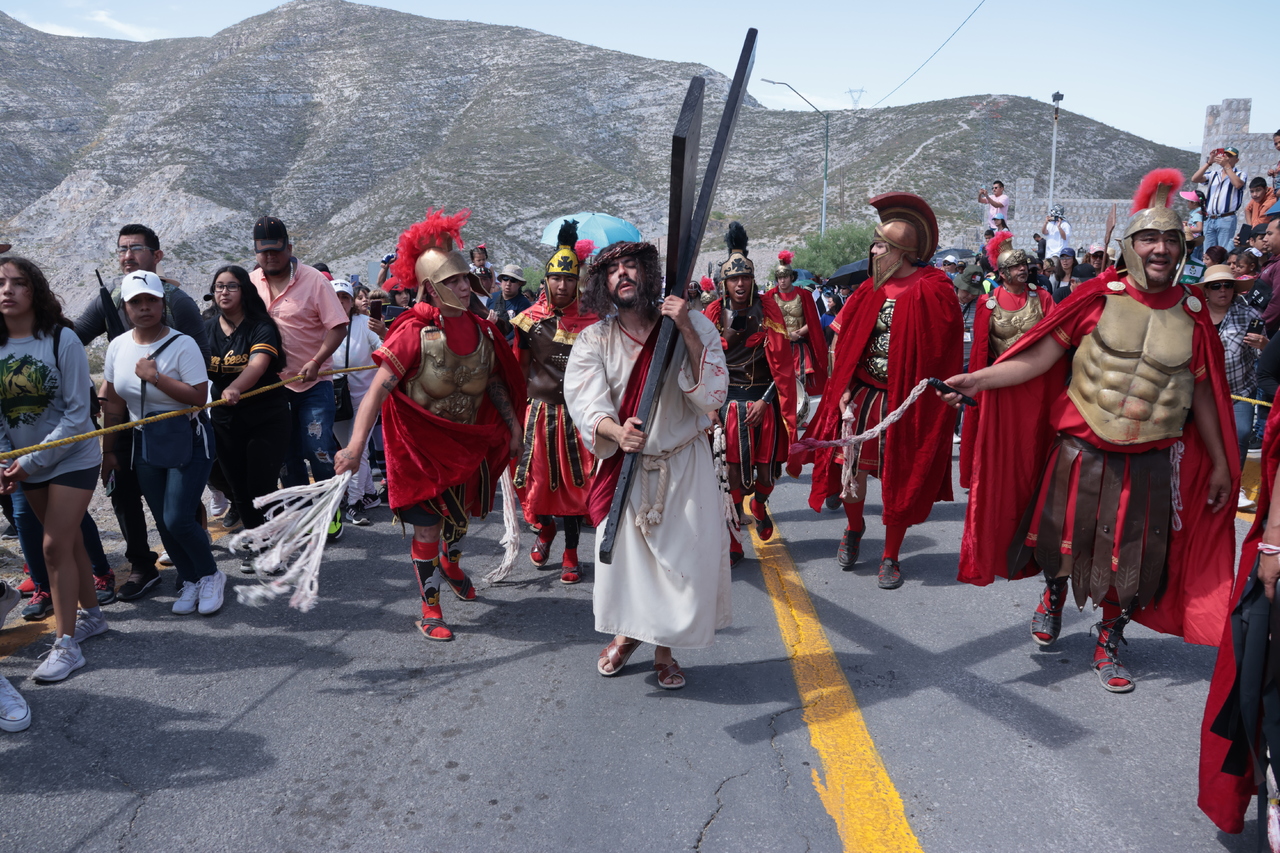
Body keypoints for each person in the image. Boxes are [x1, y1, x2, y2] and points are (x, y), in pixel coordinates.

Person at [941, 168, 1238, 694]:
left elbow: (1205, 398)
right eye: (1149, 237)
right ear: (1129, 244)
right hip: (1082, 448)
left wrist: (1218, 461)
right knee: (1063, 540)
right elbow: (1035, 360)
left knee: (1136, 557)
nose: (1161, 248)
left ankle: (1109, 638)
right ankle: (1054, 594)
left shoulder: (1194, 313)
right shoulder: (1097, 298)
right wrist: (977, 379)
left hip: (1149, 458)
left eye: (1171, 239)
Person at [335, 209, 524, 642]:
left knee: (459, 523)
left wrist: (513, 428)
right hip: (420, 449)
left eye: (465, 280)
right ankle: (430, 606)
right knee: (428, 527)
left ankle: (451, 561)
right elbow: (379, 389)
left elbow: (496, 381)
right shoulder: (412, 334)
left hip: (468, 442)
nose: (464, 286)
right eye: (453, 281)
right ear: (431, 288)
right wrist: (355, 447)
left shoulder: (483, 331)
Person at [564, 239, 729, 690]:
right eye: (613, 269)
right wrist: (615, 431)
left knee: (680, 565)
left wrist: (686, 330)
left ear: (649, 275)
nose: (623, 274)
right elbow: (583, 399)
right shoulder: (594, 338)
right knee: (630, 568)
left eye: (631, 266)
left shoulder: (693, 325)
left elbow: (713, 394)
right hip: (628, 467)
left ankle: (664, 649)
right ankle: (628, 634)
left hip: (684, 464)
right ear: (603, 283)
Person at [801, 193, 962, 589]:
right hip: (862, 396)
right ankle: (854, 529)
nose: (873, 251)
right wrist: (840, 390)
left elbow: (943, 352)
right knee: (850, 471)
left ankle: (890, 555)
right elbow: (842, 339)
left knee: (899, 478)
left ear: (902, 251)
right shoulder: (869, 289)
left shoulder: (934, 289)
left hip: (906, 404)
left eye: (880, 245)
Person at [74, 224, 209, 601]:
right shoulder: (109, 298)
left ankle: (195, 565)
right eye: (122, 249)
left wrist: (159, 380)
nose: (128, 255)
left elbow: (201, 363)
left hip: (176, 419)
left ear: (157, 255)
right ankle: (141, 565)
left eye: (136, 248)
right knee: (122, 491)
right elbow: (75, 335)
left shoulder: (178, 301)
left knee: (176, 502)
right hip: (126, 415)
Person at [0, 256, 103, 682]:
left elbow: (79, 415)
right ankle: (93, 616)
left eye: (18, 283)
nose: (7, 290)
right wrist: (8, 460)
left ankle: (66, 645)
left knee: (52, 547)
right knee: (70, 542)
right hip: (26, 464)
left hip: (73, 456)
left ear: (35, 291)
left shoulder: (63, 339)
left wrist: (28, 461)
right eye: (0, 283)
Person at [103, 271, 224, 617]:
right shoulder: (118, 346)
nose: (144, 308)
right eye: (136, 302)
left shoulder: (183, 343)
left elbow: (199, 397)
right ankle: (189, 578)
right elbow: (113, 403)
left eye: (151, 300)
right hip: (145, 439)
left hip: (187, 436)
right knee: (162, 518)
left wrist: (155, 377)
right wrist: (109, 451)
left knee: (178, 518)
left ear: (162, 304)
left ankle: (211, 575)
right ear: (126, 307)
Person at [249, 216, 349, 540]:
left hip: (314, 383)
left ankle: (330, 509)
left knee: (317, 450)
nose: (270, 258)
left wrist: (317, 360)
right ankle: (302, 517)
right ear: (255, 253)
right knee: (285, 457)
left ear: (288, 248)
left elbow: (338, 326)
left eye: (276, 251)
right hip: (272, 388)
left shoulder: (314, 280)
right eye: (263, 252)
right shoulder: (250, 284)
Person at [703, 223, 795, 566]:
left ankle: (761, 504)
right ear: (725, 283)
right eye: (733, 279)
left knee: (767, 474)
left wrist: (766, 400)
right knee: (731, 479)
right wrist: (710, 407)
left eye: (745, 278)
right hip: (726, 407)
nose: (740, 284)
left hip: (762, 402)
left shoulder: (768, 310)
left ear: (752, 279)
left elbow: (783, 365)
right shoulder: (712, 314)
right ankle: (733, 541)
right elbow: (703, 363)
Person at [511, 221, 598, 583]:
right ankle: (544, 531)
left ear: (578, 281)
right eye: (556, 278)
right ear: (546, 280)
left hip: (578, 416)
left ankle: (571, 552)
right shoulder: (528, 322)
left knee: (577, 486)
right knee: (535, 484)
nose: (562, 285)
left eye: (569, 278)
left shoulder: (595, 323)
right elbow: (519, 371)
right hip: (540, 416)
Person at [204, 265, 291, 565]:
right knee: (238, 487)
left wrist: (235, 387)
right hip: (226, 420)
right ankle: (257, 539)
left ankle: (269, 545)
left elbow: (257, 365)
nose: (224, 292)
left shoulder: (261, 326)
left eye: (231, 286)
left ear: (245, 291)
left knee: (260, 484)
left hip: (266, 417)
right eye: (218, 287)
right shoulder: (207, 329)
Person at [958, 232, 1054, 489]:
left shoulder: (1042, 298)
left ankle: (1033, 481)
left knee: (1032, 436)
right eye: (1015, 266)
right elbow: (981, 351)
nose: (1022, 270)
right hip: (1000, 382)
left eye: (1023, 265)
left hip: (1036, 379)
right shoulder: (987, 304)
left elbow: (1056, 339)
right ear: (1002, 273)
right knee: (1001, 439)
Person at [329, 279, 384, 525]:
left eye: (345, 298)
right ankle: (369, 494)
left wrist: (382, 334)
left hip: (366, 398)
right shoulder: (323, 324)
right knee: (346, 448)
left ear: (352, 302)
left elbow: (385, 349)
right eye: (337, 297)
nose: (341, 302)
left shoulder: (364, 323)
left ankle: (354, 502)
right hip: (336, 398)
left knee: (356, 450)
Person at [765, 250, 828, 400]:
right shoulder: (770, 296)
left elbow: (812, 323)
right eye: (779, 277)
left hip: (799, 345)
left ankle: (801, 416)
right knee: (780, 381)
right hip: (779, 346)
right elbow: (766, 322)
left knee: (801, 381)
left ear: (791, 277)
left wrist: (797, 334)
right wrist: (785, 335)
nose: (782, 280)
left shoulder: (804, 295)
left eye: (785, 277)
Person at [1193, 147, 1248, 251]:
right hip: (1210, 219)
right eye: (1225, 154)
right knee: (1208, 253)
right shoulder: (1214, 174)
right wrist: (1209, 163)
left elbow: (1238, 184)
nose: (1226, 157)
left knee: (1223, 251)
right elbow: (1195, 179)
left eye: (1230, 156)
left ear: (1236, 160)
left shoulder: (1240, 174)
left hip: (1226, 218)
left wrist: (1227, 166)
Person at [487, 264, 532, 343]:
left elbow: (521, 330)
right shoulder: (492, 298)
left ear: (520, 283)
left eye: (513, 280)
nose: (508, 283)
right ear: (501, 281)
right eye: (505, 279)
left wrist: (505, 342)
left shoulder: (524, 304)